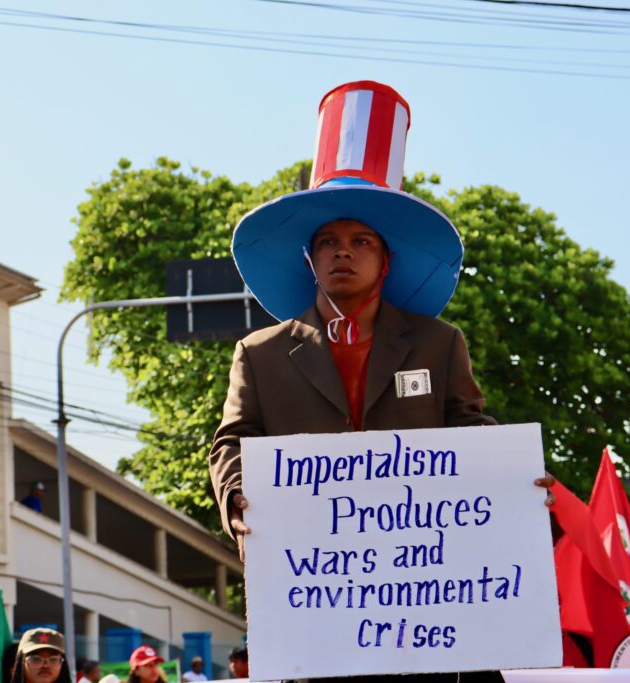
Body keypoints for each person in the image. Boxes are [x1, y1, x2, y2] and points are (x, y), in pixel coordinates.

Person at [209, 81, 553, 683]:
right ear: (310, 260)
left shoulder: (439, 342)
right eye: (329, 243)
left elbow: (471, 432)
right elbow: (232, 440)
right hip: (313, 608)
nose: (344, 252)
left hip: (426, 609)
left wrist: (513, 485)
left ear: (384, 259)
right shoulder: (259, 354)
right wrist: (238, 499)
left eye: (360, 241)